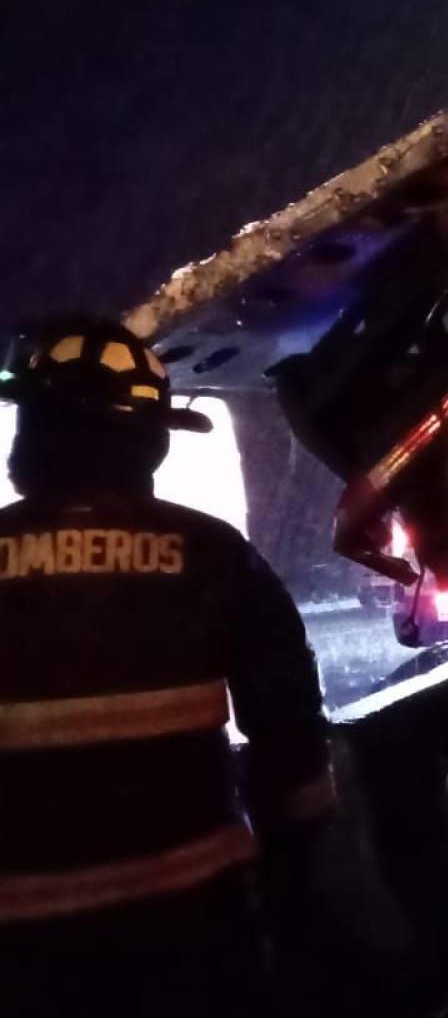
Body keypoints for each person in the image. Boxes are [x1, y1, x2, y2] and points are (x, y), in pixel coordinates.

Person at [0, 318, 333, 1016]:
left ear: (31, 434)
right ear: (148, 437)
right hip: (195, 937)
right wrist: (298, 874)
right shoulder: (215, 553)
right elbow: (289, 731)